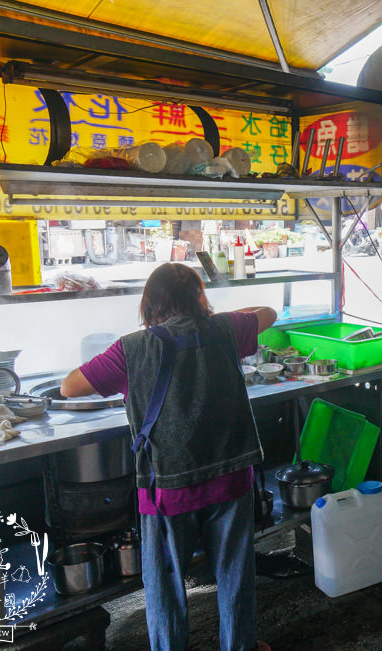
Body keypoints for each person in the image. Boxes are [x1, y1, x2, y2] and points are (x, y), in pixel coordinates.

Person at [61, 262, 276, 651]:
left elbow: (69, 387)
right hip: (229, 478)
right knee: (235, 573)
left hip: (168, 487)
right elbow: (269, 313)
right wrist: (214, 314)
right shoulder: (227, 329)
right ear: (199, 297)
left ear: (148, 303)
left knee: (165, 585)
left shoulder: (131, 348)